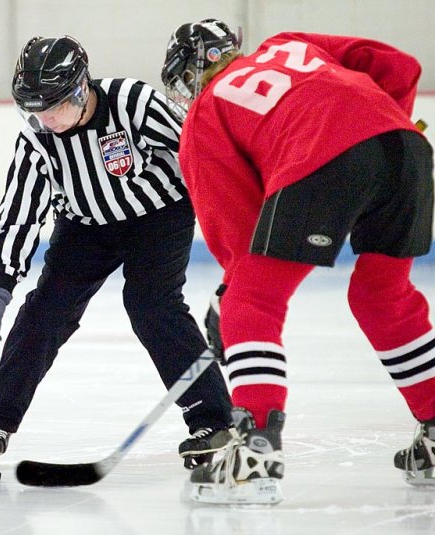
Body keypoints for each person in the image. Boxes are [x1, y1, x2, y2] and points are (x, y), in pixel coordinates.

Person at [161, 20, 434, 503]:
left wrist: (232, 294)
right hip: (407, 147)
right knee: (382, 297)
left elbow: (235, 223)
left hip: (322, 156)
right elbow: (399, 65)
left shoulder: (206, 110)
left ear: (193, 72)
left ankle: (256, 450)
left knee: (253, 302)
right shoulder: (288, 44)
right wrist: (384, 124)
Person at [0, 35, 233, 470]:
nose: (45, 118)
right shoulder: (38, 137)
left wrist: (233, 226)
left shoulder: (133, 102)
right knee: (45, 310)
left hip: (159, 215)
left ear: (79, 88)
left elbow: (200, 152)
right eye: (34, 108)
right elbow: (20, 211)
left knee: (151, 305)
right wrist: (0, 288)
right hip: (86, 226)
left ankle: (213, 420)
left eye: (53, 106)